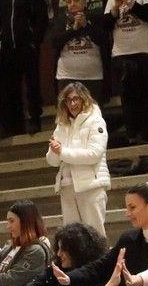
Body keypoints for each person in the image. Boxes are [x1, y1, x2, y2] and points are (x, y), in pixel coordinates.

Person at [0, 0, 49, 137]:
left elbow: (41, 19)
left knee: (32, 85)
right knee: (10, 88)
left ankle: (35, 119)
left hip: (27, 47)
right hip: (8, 48)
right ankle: (13, 124)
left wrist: (34, 41)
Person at [46, 82, 109, 236]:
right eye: (68, 100)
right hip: (67, 186)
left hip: (91, 186)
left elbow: (94, 154)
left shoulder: (96, 121)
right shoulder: (61, 125)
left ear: (84, 99)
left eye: (76, 99)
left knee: (95, 236)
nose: (72, 103)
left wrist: (62, 152)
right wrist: (55, 152)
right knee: (72, 238)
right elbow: (52, 161)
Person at [107, 0, 148, 145]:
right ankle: (132, 135)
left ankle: (146, 133)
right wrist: (115, 8)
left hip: (144, 50)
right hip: (121, 53)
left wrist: (128, 1)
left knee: (144, 95)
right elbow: (105, 24)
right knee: (127, 97)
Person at [21, 222, 109, 286]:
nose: (59, 254)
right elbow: (40, 284)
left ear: (78, 250)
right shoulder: (63, 270)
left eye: (64, 249)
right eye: (58, 248)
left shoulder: (101, 270)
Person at [49, 0, 111, 100]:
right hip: (67, 76)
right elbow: (55, 43)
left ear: (84, 2)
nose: (72, 4)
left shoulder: (95, 18)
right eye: (69, 2)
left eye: (76, 0)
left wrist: (86, 25)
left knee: (93, 115)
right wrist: (74, 29)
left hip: (93, 76)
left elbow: (104, 41)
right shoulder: (61, 21)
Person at [0, 200, 54, 286]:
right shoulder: (9, 247)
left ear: (25, 221)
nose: (8, 226)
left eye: (12, 221)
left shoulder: (36, 251)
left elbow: (12, 280)